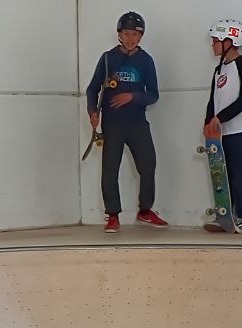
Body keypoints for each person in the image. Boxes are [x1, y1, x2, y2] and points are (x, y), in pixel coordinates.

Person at [86, 11, 169, 233]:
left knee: (148, 164)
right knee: (110, 169)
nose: (130, 38)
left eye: (135, 34)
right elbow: (92, 88)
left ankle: (145, 211)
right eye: (126, 33)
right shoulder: (107, 58)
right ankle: (112, 215)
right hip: (112, 124)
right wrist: (92, 112)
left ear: (141, 36)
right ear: (119, 34)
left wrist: (133, 96)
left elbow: (153, 94)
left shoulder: (146, 60)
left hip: (137, 122)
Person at [205, 19, 242, 233]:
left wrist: (222, 117)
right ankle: (224, 217)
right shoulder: (219, 69)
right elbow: (212, 99)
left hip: (237, 131)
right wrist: (208, 122)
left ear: (229, 41)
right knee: (221, 178)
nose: (212, 45)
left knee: (239, 175)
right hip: (219, 134)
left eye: (215, 41)